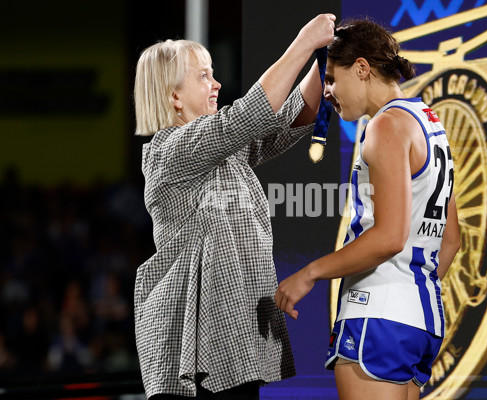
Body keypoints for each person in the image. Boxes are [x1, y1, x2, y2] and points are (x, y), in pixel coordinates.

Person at [132, 13, 335, 400]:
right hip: (189, 353)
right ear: (173, 97)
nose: (216, 83)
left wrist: (322, 59)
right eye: (203, 76)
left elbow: (292, 117)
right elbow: (246, 117)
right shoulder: (167, 153)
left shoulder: (227, 153)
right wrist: (303, 42)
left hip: (230, 339)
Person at [274, 18, 461, 400]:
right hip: (419, 322)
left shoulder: (386, 126)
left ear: (361, 68)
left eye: (330, 78)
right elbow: (451, 240)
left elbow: (390, 237)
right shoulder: (430, 123)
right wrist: (408, 291)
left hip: (377, 316)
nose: (327, 92)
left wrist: (309, 274)